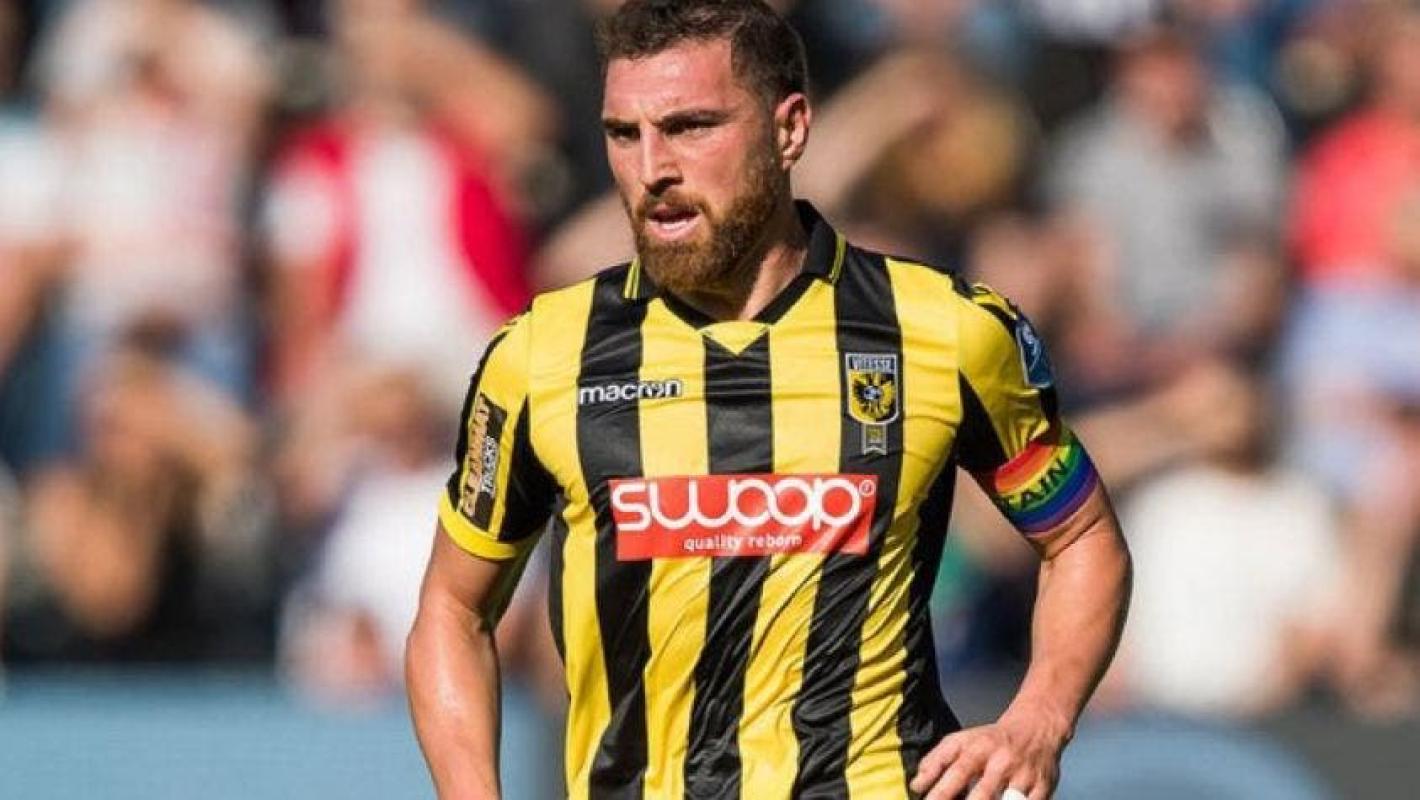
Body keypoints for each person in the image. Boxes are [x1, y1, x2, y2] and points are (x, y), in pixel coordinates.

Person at [406, 2, 1132, 799]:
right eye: (623, 134)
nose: (652, 168)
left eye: (690, 127)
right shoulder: (542, 356)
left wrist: (1038, 720)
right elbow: (453, 607)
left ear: (789, 130)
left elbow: (1081, 536)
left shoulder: (948, 332)